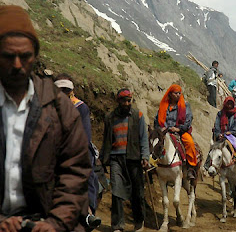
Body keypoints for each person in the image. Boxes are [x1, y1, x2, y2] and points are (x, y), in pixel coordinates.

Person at [0, 5, 91, 231]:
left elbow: (75, 171)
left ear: (35, 55)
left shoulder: (59, 107)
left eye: (25, 56)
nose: (17, 65)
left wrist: (55, 223)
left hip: (49, 220)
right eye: (8, 56)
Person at [54, 74, 101, 230]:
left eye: (66, 90)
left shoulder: (81, 107)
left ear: (71, 91)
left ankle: (88, 212)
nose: (63, 93)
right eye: (60, 90)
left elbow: (85, 136)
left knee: (86, 175)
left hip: (77, 148)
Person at [100, 88, 149, 232]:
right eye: (124, 100)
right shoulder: (110, 118)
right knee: (116, 192)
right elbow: (106, 141)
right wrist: (102, 158)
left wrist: (145, 156)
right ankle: (117, 225)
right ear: (118, 101)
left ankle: (139, 222)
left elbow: (143, 139)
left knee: (137, 193)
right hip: (116, 159)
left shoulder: (137, 116)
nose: (127, 103)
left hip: (133, 159)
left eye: (129, 100)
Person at [153, 84, 198, 179]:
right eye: (175, 93)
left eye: (179, 93)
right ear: (170, 94)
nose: (178, 95)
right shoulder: (164, 105)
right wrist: (161, 128)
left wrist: (178, 129)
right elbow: (157, 119)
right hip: (164, 131)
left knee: (189, 143)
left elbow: (188, 119)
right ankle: (152, 163)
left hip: (180, 131)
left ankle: (190, 168)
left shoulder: (185, 104)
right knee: (153, 142)